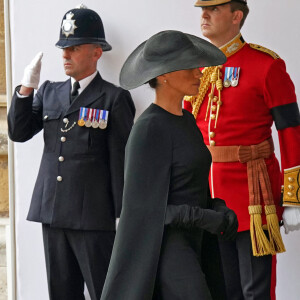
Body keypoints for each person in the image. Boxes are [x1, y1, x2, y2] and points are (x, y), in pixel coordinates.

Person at [7, 5, 135, 300]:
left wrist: (123, 215)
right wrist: (26, 89)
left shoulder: (114, 98)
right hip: (52, 212)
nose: (65, 54)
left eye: (74, 48)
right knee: (61, 293)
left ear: (96, 52)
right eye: (63, 48)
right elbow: (18, 132)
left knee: (106, 292)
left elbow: (121, 162)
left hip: (94, 217)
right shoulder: (50, 91)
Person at [100, 30, 238, 300]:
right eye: (189, 67)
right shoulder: (148, 129)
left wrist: (217, 208)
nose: (199, 72)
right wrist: (205, 217)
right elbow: (144, 210)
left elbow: (190, 183)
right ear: (163, 75)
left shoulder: (187, 120)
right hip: (166, 246)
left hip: (197, 239)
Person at [184, 0, 300, 299]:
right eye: (202, 10)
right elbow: (184, 132)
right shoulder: (195, 68)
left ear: (236, 16)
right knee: (220, 290)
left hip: (253, 195)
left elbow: (290, 132)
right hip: (206, 199)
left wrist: (293, 198)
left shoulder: (266, 65)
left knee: (255, 291)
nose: (204, 15)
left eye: (214, 9)